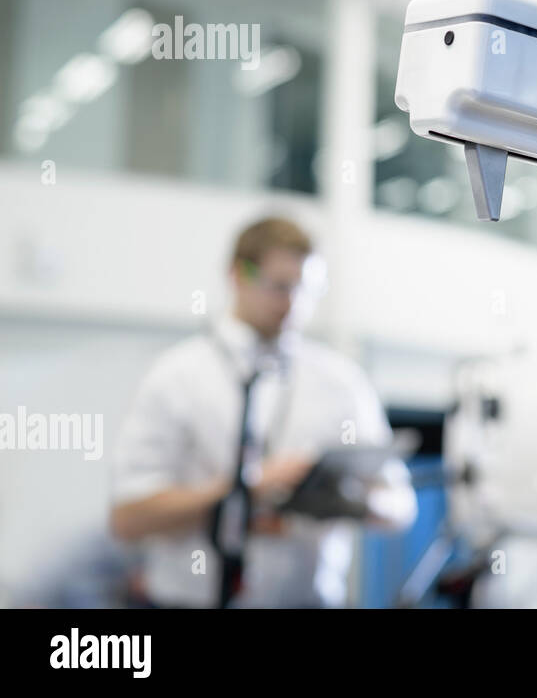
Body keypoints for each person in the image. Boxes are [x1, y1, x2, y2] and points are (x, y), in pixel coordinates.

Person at [109, 217, 416, 607]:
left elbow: (399, 506)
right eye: (280, 286)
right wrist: (245, 489)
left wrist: (347, 499)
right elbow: (128, 519)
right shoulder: (176, 376)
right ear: (238, 274)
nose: (294, 303)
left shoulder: (342, 382)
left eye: (308, 289)